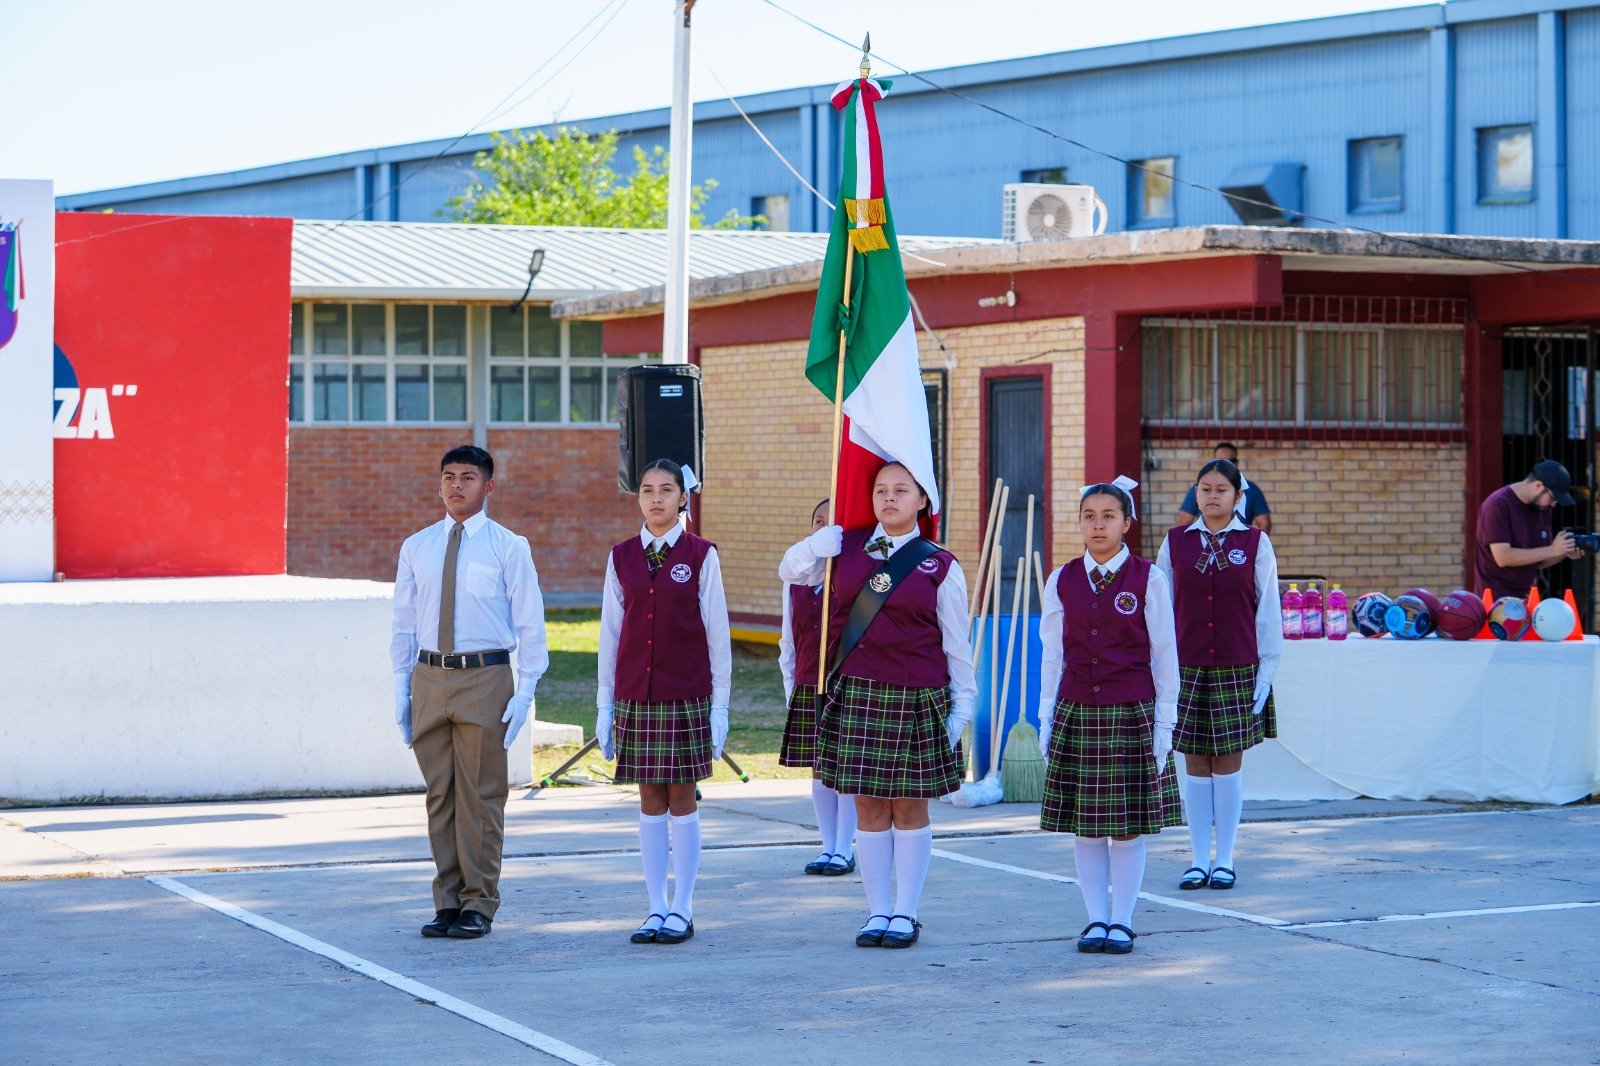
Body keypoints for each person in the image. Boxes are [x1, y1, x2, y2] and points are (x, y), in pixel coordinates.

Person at [780, 462, 975, 949]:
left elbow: (957, 645)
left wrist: (962, 707)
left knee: (908, 807)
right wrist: (814, 545)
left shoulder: (940, 565)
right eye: (881, 490)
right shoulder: (844, 549)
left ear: (922, 501)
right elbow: (790, 572)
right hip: (858, 693)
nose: (889, 498)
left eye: (901, 490)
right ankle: (877, 912)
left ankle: (906, 912)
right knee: (867, 805)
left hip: (916, 696)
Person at [390, 445, 548, 941]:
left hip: (485, 677)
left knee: (480, 795)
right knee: (441, 794)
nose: (456, 485)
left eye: (468, 477)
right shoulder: (417, 546)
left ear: (488, 486)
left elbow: (530, 622)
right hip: (430, 675)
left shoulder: (508, 547)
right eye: (449, 477)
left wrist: (526, 691)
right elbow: (403, 622)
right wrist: (401, 686)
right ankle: (447, 901)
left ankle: (479, 903)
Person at [1037, 476, 1180, 955]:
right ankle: (1095, 918)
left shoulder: (1148, 578)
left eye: (1108, 516)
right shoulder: (1061, 580)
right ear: (1079, 523)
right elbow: (1052, 655)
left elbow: (1164, 654)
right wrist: (1046, 718)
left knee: (1126, 824)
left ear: (1126, 523)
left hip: (1131, 711)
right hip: (1078, 709)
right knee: (1088, 824)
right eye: (1089, 517)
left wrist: (1165, 723)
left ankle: (1123, 920)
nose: (1098, 526)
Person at [597, 458, 731, 946]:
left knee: (681, 796)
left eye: (666, 489)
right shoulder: (621, 557)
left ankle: (683, 907)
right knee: (649, 798)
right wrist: (604, 706)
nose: (656, 498)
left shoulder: (701, 554)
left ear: (682, 498)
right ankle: (655, 906)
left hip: (686, 694)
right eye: (648, 490)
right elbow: (610, 635)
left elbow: (718, 635)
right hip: (636, 694)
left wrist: (720, 707)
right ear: (638, 498)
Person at [1155, 458, 1282, 892]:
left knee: (1227, 760)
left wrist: (1267, 669)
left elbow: (1268, 610)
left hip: (1237, 664)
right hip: (1186, 665)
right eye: (1205, 489)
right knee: (1194, 761)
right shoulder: (1175, 542)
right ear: (1196, 493)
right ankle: (1196, 859)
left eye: (1221, 490)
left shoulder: (1255, 542)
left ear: (1238, 496)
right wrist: (1158, 667)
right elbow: (1159, 610)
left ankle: (1225, 857)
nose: (1212, 496)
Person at [779, 498, 857, 877]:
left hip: (845, 684)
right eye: (818, 522)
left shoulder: (854, 578)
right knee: (818, 768)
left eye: (832, 522)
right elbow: (787, 642)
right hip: (808, 683)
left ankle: (845, 848)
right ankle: (827, 846)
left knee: (845, 769)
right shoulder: (797, 579)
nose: (824, 528)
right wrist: (790, 686)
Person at [1475, 459, 1583, 600]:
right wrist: (1552, 550)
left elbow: (1539, 561)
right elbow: (1503, 557)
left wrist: (1563, 551)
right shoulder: (1498, 504)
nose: (1554, 504)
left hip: (1527, 599)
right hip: (1496, 600)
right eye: (1553, 498)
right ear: (1538, 486)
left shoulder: (1542, 508)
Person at [1177, 442, 1271, 533]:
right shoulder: (1201, 488)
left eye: (1230, 461)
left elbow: (1264, 523)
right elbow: (1183, 523)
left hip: (1240, 543)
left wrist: (1255, 542)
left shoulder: (1251, 489)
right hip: (1205, 542)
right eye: (1220, 461)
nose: (1225, 466)